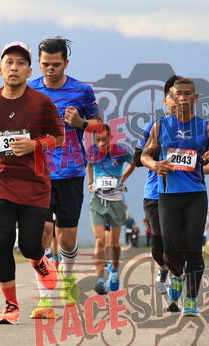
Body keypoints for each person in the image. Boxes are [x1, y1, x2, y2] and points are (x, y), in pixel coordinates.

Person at [0, 41, 65, 325]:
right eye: (9, 62)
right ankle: (11, 306)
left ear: (29, 71)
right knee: (3, 241)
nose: (14, 67)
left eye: (21, 63)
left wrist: (35, 144)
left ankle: (39, 260)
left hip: (35, 184)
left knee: (29, 246)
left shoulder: (41, 103)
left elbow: (59, 138)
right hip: (0, 180)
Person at [141, 78, 209, 317]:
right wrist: (155, 165)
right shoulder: (160, 126)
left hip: (195, 196)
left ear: (195, 98)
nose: (182, 98)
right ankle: (177, 276)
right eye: (177, 94)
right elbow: (145, 156)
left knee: (193, 249)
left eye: (187, 93)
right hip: (168, 196)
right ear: (171, 97)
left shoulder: (207, 128)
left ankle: (190, 300)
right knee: (170, 250)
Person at [27, 37, 101, 317]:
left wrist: (81, 123)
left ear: (66, 63)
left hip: (71, 173)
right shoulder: (29, 90)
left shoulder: (82, 91)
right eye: (45, 64)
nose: (50, 69)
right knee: (42, 234)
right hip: (39, 173)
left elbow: (100, 128)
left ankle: (68, 279)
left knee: (66, 239)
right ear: (38, 63)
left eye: (56, 65)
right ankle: (45, 299)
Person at [86, 124, 133, 295]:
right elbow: (89, 166)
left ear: (111, 138)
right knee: (100, 240)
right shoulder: (92, 151)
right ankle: (99, 278)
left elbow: (134, 163)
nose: (101, 144)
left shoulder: (121, 151)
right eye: (97, 140)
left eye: (104, 140)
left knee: (113, 243)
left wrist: (123, 178)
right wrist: (90, 183)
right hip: (97, 200)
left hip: (116, 201)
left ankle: (114, 269)